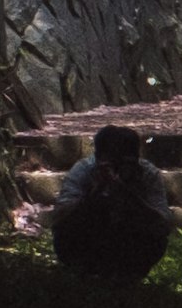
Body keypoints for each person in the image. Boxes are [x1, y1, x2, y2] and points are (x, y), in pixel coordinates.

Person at [50, 117, 175, 279]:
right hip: (87, 239)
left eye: (125, 163)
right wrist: (96, 193)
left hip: (131, 241)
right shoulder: (84, 170)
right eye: (112, 163)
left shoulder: (147, 174)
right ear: (98, 158)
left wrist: (129, 195)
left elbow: (163, 224)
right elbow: (60, 220)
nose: (118, 170)